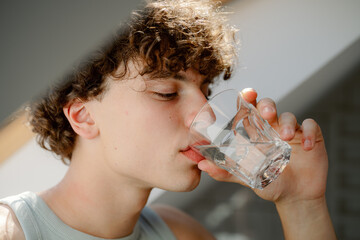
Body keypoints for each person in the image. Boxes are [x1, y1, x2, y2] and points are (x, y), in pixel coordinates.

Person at [0, 0, 337, 239]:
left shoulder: (182, 233)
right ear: (83, 116)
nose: (204, 114)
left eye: (205, 90)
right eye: (166, 92)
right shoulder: (10, 230)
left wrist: (301, 204)